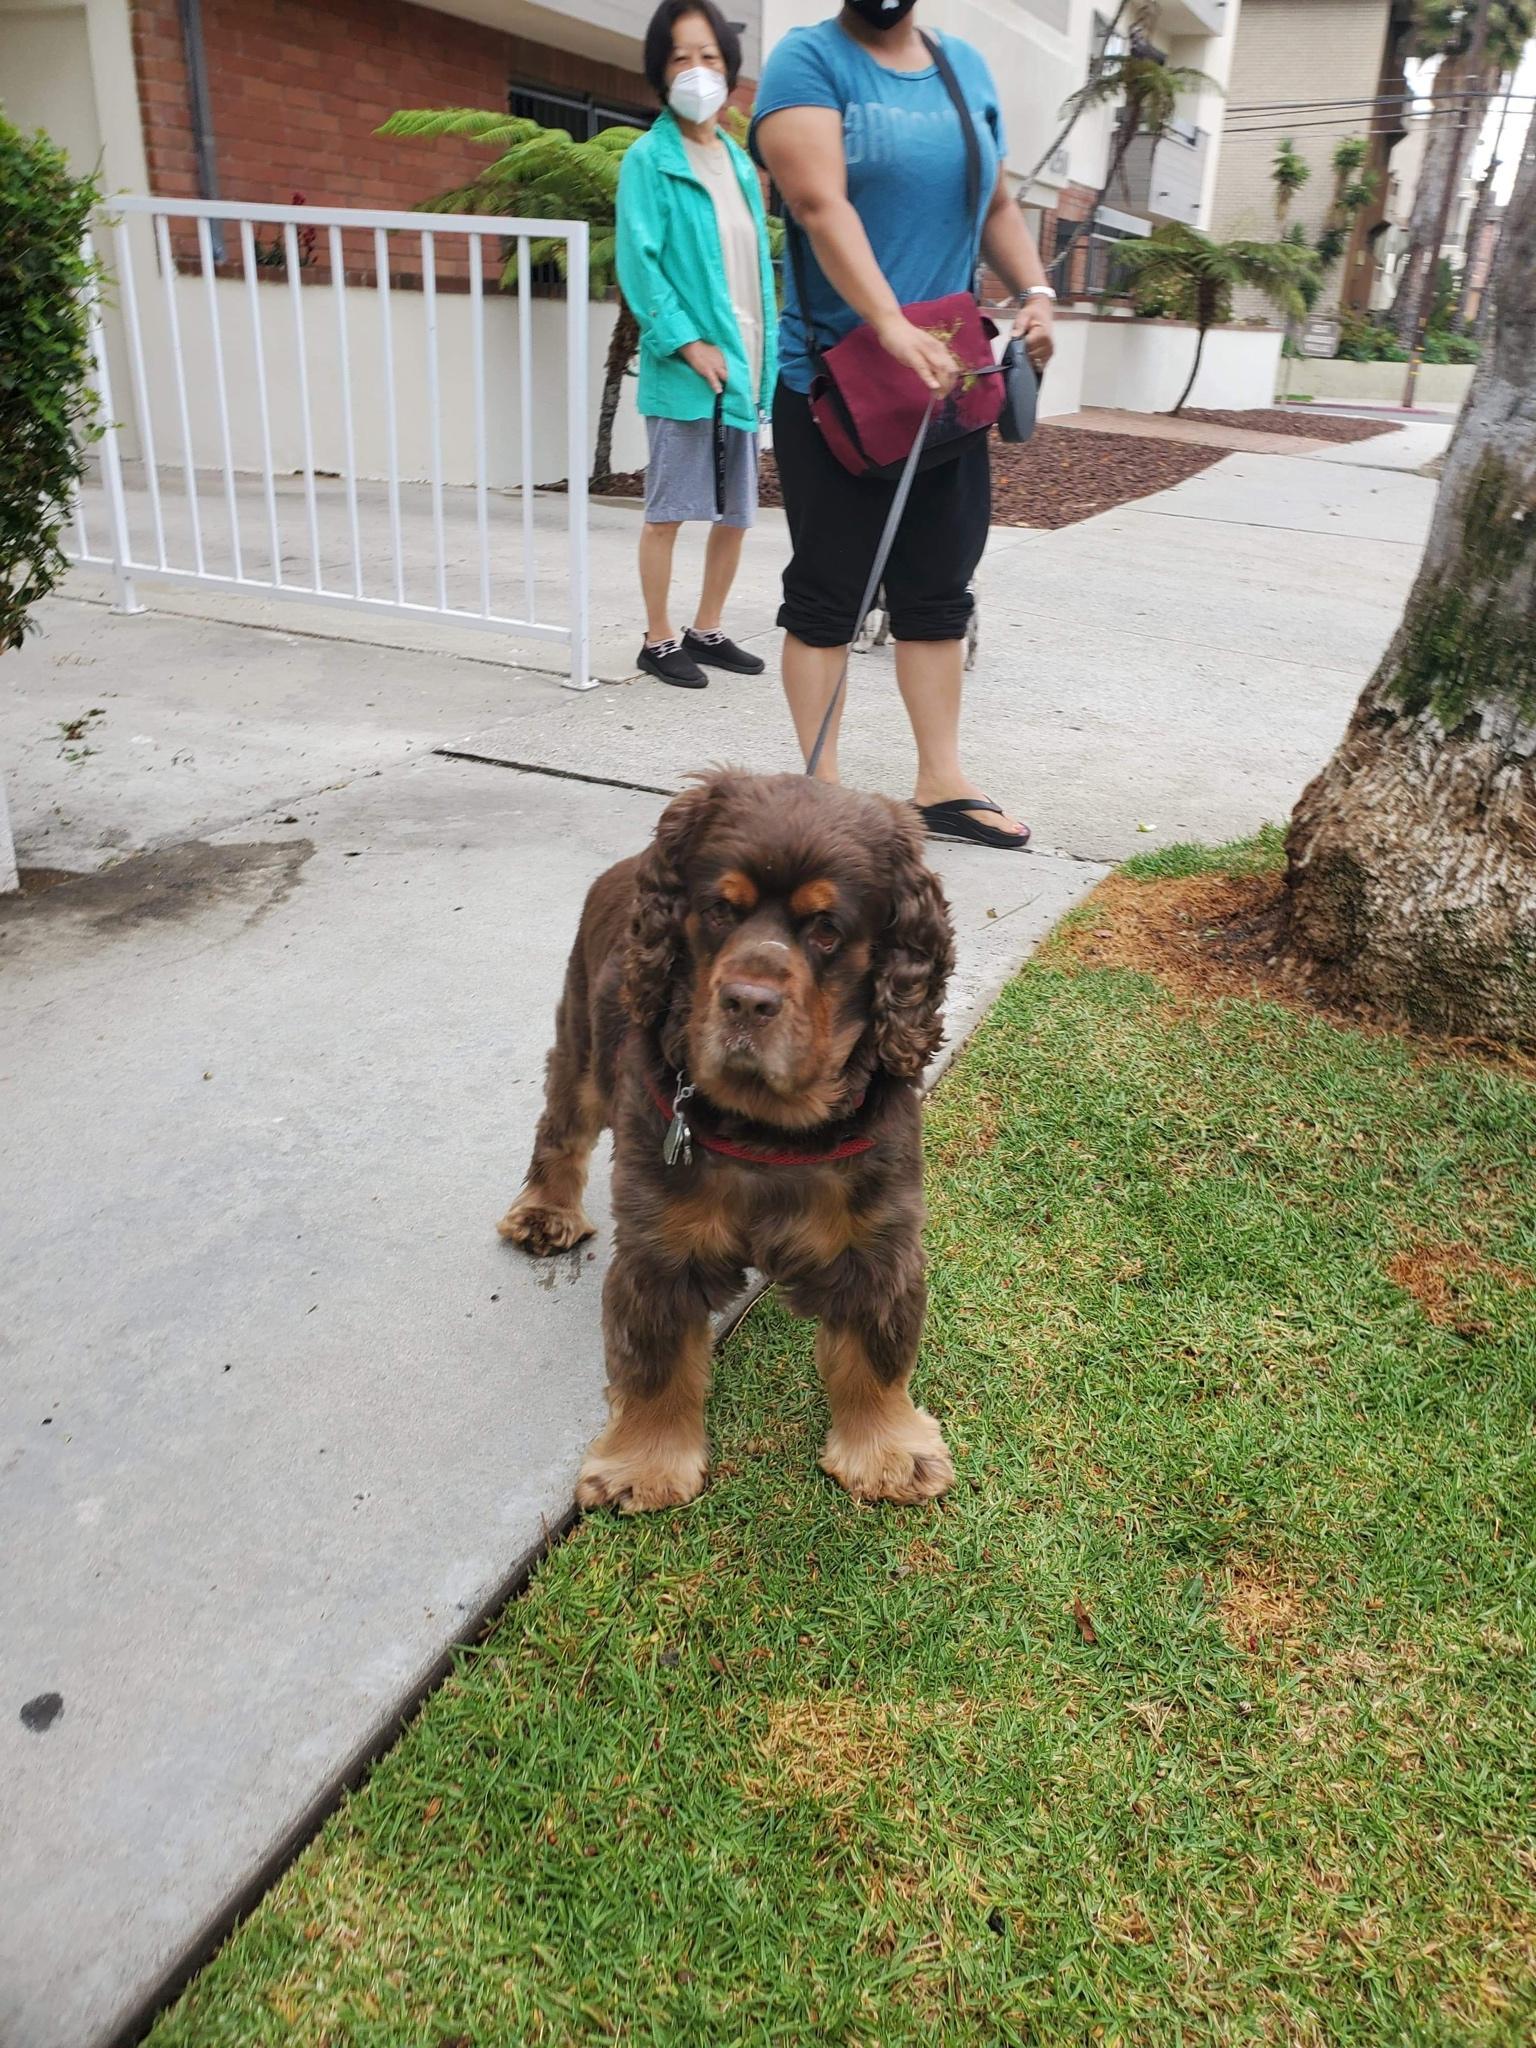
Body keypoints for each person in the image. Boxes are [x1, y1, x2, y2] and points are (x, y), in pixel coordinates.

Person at [753, 0, 1055, 849]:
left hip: (947, 376)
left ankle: (942, 784)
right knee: (828, 592)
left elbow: (994, 204)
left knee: (939, 585)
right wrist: (887, 322)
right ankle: (820, 793)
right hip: (837, 384)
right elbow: (819, 204)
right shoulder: (808, 63)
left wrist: (1036, 294)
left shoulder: (963, 69)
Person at [616, 0, 779, 689]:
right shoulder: (649, 159)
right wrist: (688, 344)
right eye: (680, 56)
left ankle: (705, 629)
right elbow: (638, 265)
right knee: (670, 511)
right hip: (690, 370)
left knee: (736, 512)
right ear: (660, 69)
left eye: (708, 55)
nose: (696, 69)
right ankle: (655, 640)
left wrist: (762, 359)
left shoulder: (739, 162)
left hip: (742, 364)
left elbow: (753, 270)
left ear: (729, 67)